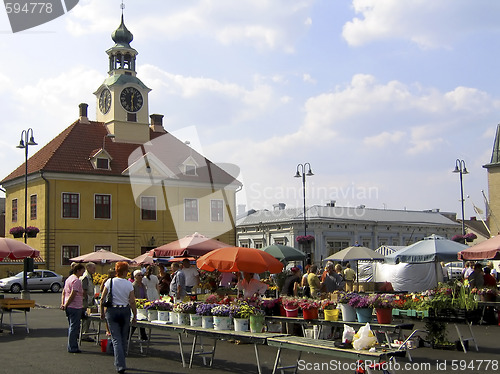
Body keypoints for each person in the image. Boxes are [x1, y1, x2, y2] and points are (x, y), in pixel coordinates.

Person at [100, 261, 137, 374]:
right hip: (125, 310)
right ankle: (121, 361)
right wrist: (135, 315)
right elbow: (132, 301)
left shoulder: (110, 282)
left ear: (116, 271)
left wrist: (102, 312)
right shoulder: (129, 284)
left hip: (112, 310)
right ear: (125, 271)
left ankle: (120, 364)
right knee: (123, 338)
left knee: (116, 339)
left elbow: (102, 298)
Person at [60, 262, 85, 353]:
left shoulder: (69, 279)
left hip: (69, 305)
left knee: (72, 326)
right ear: (78, 270)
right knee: (74, 327)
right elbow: (73, 293)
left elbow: (64, 292)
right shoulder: (76, 280)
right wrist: (66, 304)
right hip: (75, 306)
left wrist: (63, 303)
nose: (83, 272)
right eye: (82, 270)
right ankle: (72, 347)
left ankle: (72, 346)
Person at [80, 262, 96, 341]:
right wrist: (86, 300)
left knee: (86, 318)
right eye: (93, 268)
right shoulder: (86, 277)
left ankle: (84, 333)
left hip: (89, 299)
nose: (95, 270)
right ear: (88, 268)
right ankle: (84, 334)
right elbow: (84, 290)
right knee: (86, 318)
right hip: (86, 300)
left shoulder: (89, 276)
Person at [131, 270, 148, 340]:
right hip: (136, 304)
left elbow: (145, 294)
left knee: (141, 319)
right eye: (139, 275)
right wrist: (138, 301)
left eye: (141, 275)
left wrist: (146, 301)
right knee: (136, 320)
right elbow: (132, 296)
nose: (141, 277)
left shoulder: (143, 285)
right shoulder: (133, 285)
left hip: (142, 304)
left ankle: (143, 335)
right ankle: (129, 335)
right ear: (135, 277)